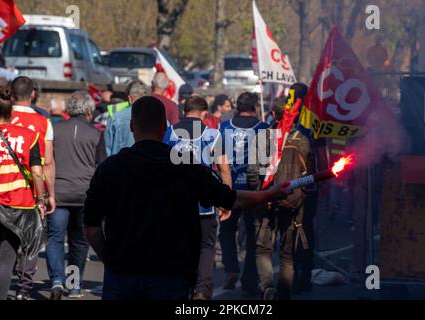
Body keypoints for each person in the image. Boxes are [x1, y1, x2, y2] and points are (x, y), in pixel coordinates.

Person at [83, 96, 291, 300]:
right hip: (171, 272)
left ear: (131, 127)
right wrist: (269, 193)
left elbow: (91, 225)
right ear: (164, 128)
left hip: (123, 272)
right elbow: (231, 198)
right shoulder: (186, 167)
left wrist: (109, 259)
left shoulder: (110, 169)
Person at [164, 96, 231, 300]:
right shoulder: (212, 134)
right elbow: (224, 169)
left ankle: (181, 288)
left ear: (184, 111)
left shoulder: (168, 133)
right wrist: (226, 201)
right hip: (205, 204)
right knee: (206, 247)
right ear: (204, 114)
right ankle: (203, 290)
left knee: (178, 246)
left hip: (175, 203)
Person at [248, 83, 312, 300]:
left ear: (273, 114)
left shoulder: (264, 137)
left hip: (265, 200)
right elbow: (310, 175)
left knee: (263, 248)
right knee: (287, 253)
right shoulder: (304, 140)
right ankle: (285, 292)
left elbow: (252, 172)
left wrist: (257, 192)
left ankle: (267, 287)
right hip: (292, 201)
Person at [46, 91, 106, 300]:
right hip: (84, 195)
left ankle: (56, 280)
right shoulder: (96, 133)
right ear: (89, 110)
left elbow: (47, 161)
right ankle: (73, 286)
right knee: (79, 242)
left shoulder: (54, 128)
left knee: (54, 238)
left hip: (59, 192)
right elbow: (101, 167)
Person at [218, 92, 270, 296]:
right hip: (253, 190)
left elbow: (218, 159)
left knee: (227, 229)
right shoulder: (264, 128)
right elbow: (266, 164)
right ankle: (249, 280)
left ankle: (231, 267)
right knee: (252, 235)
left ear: (236, 107)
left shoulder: (223, 127)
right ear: (256, 107)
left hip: (229, 187)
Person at [10, 76, 56, 300]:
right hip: (30, 192)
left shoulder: (3, 116)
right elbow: (47, 162)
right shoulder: (43, 122)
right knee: (31, 241)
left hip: (4, 188)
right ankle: (24, 290)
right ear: (33, 94)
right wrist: (50, 194)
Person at [0, 84, 46, 300]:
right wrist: (41, 199)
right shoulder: (30, 136)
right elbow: (37, 172)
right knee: (6, 259)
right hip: (19, 206)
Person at [104, 79, 151, 156]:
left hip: (121, 165)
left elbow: (107, 149)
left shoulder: (116, 118)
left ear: (130, 98)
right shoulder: (160, 117)